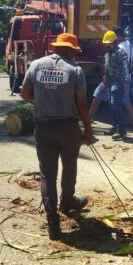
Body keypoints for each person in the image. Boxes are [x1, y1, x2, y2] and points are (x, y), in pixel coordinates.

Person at [20, 33, 93, 240]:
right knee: (69, 166)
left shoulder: (35, 65)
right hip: (68, 127)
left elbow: (25, 94)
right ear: (69, 50)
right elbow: (81, 105)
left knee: (47, 174)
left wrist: (43, 98)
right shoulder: (75, 70)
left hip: (43, 127)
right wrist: (87, 129)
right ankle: (67, 201)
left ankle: (53, 222)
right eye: (75, 52)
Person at [102, 30, 130, 140]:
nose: (106, 44)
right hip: (110, 81)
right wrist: (105, 78)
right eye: (105, 43)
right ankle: (115, 126)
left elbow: (125, 68)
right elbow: (107, 68)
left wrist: (126, 81)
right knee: (110, 103)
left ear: (114, 42)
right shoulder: (107, 54)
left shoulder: (120, 53)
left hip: (119, 81)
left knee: (114, 103)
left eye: (108, 42)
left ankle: (121, 129)